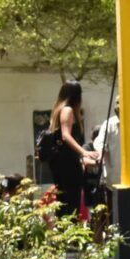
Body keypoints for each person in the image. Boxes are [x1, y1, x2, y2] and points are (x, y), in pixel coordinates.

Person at [47, 80, 100, 218]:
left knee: (63, 200)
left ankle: (63, 232)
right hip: (68, 162)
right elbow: (66, 135)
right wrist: (84, 152)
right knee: (71, 200)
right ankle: (71, 233)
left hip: (59, 162)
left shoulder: (57, 110)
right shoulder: (67, 110)